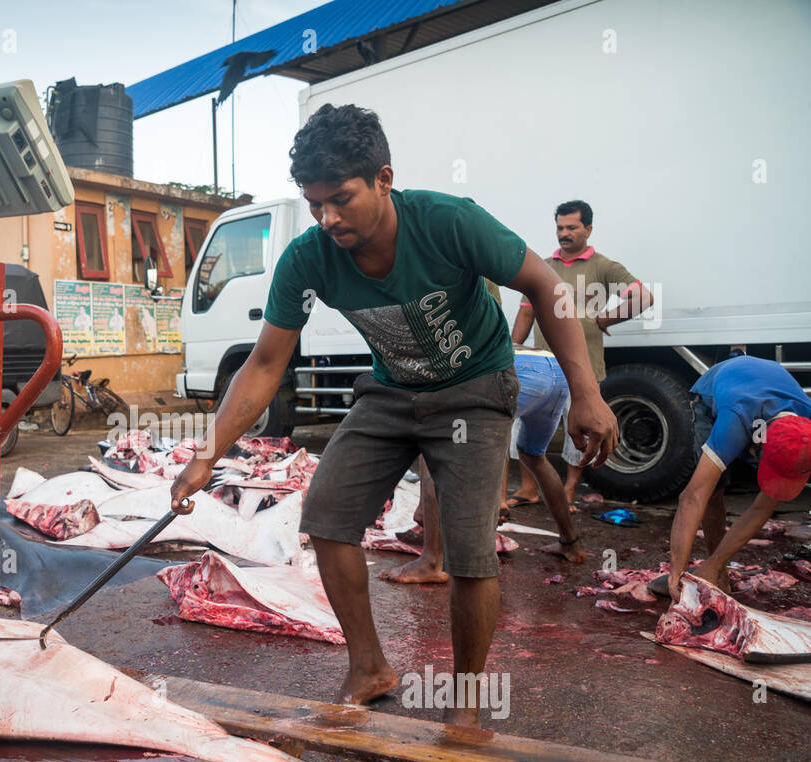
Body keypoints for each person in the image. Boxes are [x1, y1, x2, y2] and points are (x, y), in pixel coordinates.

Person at [169, 104, 617, 724]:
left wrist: (586, 394)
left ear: (383, 178)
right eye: (315, 203)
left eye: (341, 199)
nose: (328, 218)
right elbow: (266, 364)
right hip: (390, 391)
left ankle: (464, 703)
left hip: (476, 388)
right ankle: (369, 666)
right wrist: (205, 454)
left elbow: (545, 286)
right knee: (328, 517)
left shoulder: (447, 221)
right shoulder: (308, 258)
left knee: (468, 551)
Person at [382, 345, 588, 584]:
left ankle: (431, 562)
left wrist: (422, 510)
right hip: (554, 369)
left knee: (433, 445)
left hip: (518, 370)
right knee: (533, 455)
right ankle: (570, 542)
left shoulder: (427, 359)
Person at [508, 200, 652, 510]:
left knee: (580, 431)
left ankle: (569, 489)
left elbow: (643, 296)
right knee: (521, 427)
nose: (564, 233)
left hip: (582, 370)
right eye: (560, 227)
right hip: (541, 367)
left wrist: (605, 319)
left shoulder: (603, 266)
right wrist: (511, 351)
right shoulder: (543, 266)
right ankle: (529, 488)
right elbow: (525, 313)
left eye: (572, 227)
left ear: (588, 229)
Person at [667, 356, 811, 602]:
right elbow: (692, 497)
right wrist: (676, 574)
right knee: (712, 491)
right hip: (716, 390)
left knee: (713, 561)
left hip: (758, 387)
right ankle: (716, 572)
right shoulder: (734, 422)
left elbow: (760, 509)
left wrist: (712, 564)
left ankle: (714, 566)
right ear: (758, 447)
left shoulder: (805, 428)